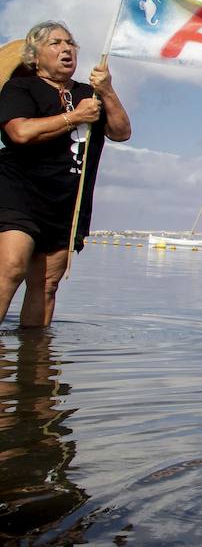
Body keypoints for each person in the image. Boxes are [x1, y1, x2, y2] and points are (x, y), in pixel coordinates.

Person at [0, 22, 132, 326]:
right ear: (35, 56)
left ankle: (35, 364)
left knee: (46, 285)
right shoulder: (21, 88)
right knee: (10, 269)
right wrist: (74, 117)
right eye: (55, 43)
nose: (66, 49)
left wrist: (107, 90)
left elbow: (122, 132)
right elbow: (19, 132)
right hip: (18, 193)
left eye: (70, 42)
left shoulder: (91, 94)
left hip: (66, 202)